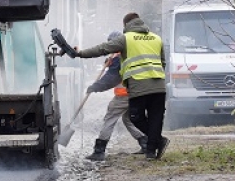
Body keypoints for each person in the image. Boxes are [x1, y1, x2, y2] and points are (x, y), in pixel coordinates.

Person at [71, 13, 169, 160]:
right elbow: (163, 63)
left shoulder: (126, 40)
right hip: (158, 86)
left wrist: (80, 54)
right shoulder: (156, 38)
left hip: (133, 90)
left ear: (126, 25)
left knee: (118, 116)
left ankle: (100, 150)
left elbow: (103, 53)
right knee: (144, 118)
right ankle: (148, 146)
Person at [85, 32, 148, 161]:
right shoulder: (129, 54)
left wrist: (96, 87)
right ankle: (145, 143)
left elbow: (111, 78)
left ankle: (99, 151)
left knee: (110, 118)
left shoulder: (118, 58)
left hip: (124, 96)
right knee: (128, 119)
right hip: (138, 94)